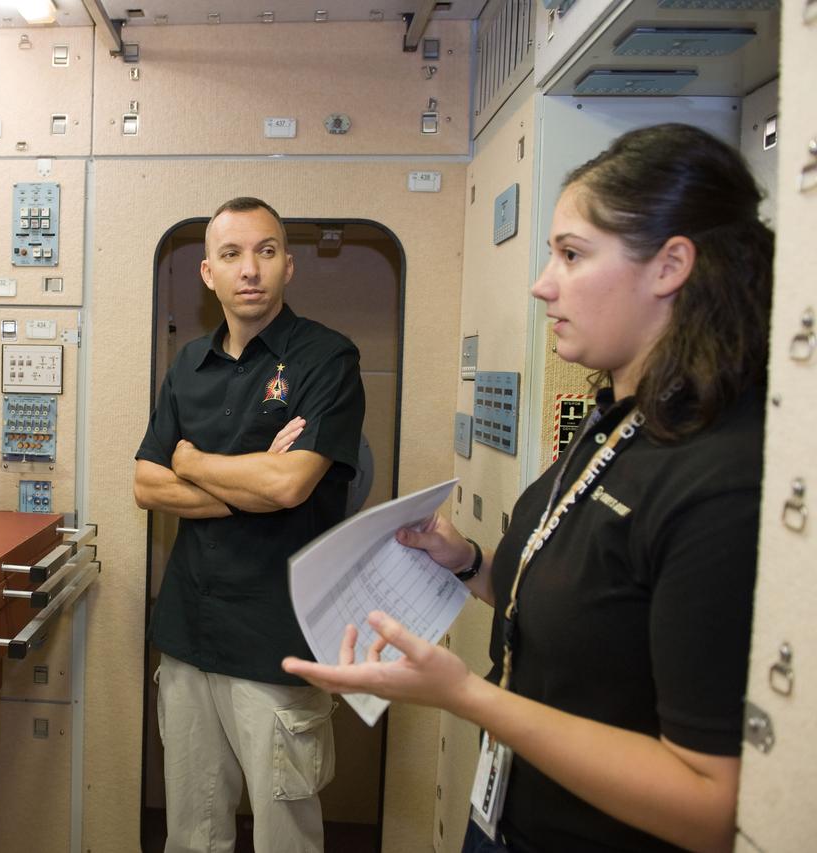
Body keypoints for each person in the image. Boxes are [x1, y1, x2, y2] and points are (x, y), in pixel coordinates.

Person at [285, 123, 772, 853]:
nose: (544, 282)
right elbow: (587, 598)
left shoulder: (722, 476)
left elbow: (709, 802)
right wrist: (471, 563)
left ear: (670, 264)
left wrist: (466, 695)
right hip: (511, 816)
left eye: (572, 254)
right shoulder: (621, 421)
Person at [135, 197, 365, 853]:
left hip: (277, 641)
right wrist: (254, 478)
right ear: (208, 273)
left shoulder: (327, 360)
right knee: (192, 830)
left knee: (284, 835)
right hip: (187, 635)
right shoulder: (189, 365)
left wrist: (194, 460)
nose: (250, 269)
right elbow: (145, 483)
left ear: (289, 265)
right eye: (231, 254)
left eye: (266, 251)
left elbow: (291, 483)